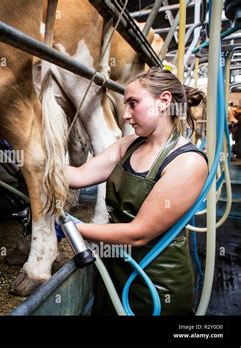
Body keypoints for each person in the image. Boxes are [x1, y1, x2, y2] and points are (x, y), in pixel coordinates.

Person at [61, 67, 208, 315]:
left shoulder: (187, 162)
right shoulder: (129, 145)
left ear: (164, 101)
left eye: (133, 103)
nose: (126, 115)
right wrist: (34, 162)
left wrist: (70, 229)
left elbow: (138, 233)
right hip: (114, 269)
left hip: (156, 284)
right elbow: (78, 176)